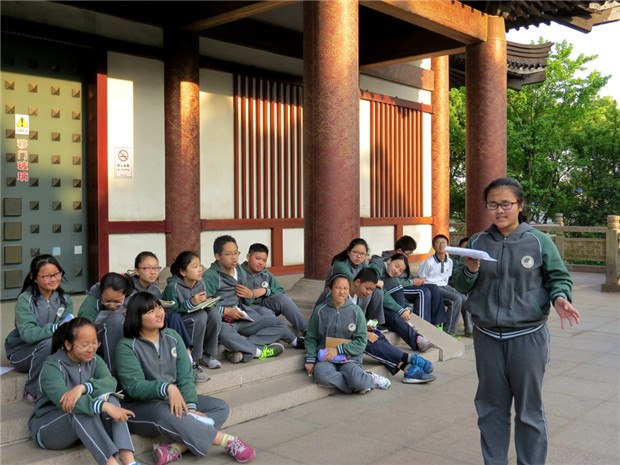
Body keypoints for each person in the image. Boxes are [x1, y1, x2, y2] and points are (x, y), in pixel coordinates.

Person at [452, 177, 580, 465]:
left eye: (506, 204)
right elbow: (460, 284)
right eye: (493, 204)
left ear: (519, 205)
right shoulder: (478, 242)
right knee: (490, 408)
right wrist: (470, 270)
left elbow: (558, 277)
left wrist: (560, 297)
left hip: (528, 337)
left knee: (529, 410)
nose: (499, 210)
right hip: (488, 337)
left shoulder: (538, 241)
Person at [115, 292, 255, 465]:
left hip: (173, 399)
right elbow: (134, 386)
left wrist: (190, 407)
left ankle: (175, 448)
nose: (159, 313)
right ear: (137, 317)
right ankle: (228, 441)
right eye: (151, 311)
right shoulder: (126, 346)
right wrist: (167, 388)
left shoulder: (173, 336)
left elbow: (185, 376)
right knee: (166, 413)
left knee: (220, 407)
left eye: (159, 308)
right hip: (140, 408)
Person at [29, 317, 139, 465]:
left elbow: (110, 383)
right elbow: (67, 403)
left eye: (94, 342)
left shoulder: (94, 360)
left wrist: (84, 387)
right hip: (49, 428)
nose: (91, 349)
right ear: (68, 345)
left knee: (111, 398)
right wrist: (104, 406)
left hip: (83, 428)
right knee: (80, 409)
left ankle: (129, 461)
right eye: (84, 345)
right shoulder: (52, 367)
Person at [317, 269, 436, 384]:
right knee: (366, 341)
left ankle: (407, 368)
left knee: (377, 335)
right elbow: (336, 322)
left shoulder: (358, 296)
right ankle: (409, 359)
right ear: (357, 282)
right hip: (332, 337)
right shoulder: (339, 295)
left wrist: (367, 326)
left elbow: (355, 319)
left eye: (372, 290)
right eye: (367, 288)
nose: (369, 293)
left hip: (349, 332)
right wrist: (363, 333)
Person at [203, 235, 301, 364]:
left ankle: (240, 349)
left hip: (242, 315)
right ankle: (259, 352)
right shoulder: (211, 276)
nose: (234, 257)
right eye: (228, 254)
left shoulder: (239, 270)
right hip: (224, 321)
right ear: (217, 256)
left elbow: (246, 301)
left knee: (279, 325)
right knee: (224, 334)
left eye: (236, 253)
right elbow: (204, 304)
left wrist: (250, 296)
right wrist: (225, 311)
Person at [304, 274, 391, 394]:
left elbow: (361, 341)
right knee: (321, 376)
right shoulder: (320, 310)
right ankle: (359, 383)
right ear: (331, 289)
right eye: (338, 288)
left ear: (349, 290)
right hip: (326, 357)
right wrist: (310, 358)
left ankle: (367, 378)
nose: (342, 292)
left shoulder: (356, 311)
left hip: (349, 358)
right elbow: (311, 337)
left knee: (354, 376)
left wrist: (338, 350)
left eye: (345, 288)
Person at [5, 254, 74, 403]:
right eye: (47, 276)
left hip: (51, 348)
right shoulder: (25, 299)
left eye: (56, 274)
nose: (53, 279)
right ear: (34, 278)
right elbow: (28, 334)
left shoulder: (65, 299)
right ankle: (31, 390)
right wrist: (55, 328)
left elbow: (66, 328)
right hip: (22, 352)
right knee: (49, 344)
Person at [162, 251, 217, 382]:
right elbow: (170, 313)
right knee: (200, 316)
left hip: (195, 316)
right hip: (180, 323)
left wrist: (207, 302)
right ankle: (193, 361)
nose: (200, 269)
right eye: (194, 266)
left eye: (200, 265)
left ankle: (208, 354)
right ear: (183, 272)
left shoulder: (201, 283)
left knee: (214, 314)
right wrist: (190, 303)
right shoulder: (172, 287)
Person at [129, 251, 194, 354]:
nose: (153, 272)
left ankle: (186, 352)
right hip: (137, 321)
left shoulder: (155, 289)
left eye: (156, 268)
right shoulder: (129, 288)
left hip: (154, 319)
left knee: (173, 316)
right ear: (136, 270)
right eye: (148, 268)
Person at [241, 243, 308, 338]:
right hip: (248, 309)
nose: (261, 263)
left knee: (283, 299)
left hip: (264, 303)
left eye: (264, 260)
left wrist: (266, 291)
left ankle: (307, 330)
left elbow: (280, 290)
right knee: (267, 314)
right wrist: (250, 295)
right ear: (248, 257)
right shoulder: (238, 273)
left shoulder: (265, 273)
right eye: (257, 258)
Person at [381, 236, 447, 327]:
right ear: (399, 251)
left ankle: (437, 323)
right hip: (395, 288)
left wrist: (417, 279)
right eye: (408, 254)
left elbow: (406, 275)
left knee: (433, 287)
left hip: (405, 284)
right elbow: (393, 280)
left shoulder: (401, 260)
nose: (408, 257)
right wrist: (412, 282)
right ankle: (422, 326)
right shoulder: (388, 261)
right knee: (423, 292)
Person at [316, 238, 384, 326]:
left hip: (354, 292)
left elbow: (367, 282)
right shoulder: (340, 264)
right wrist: (376, 282)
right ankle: (361, 323)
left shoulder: (363, 264)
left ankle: (373, 324)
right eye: (356, 252)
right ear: (348, 252)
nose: (359, 256)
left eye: (362, 254)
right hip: (338, 295)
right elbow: (354, 280)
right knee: (365, 288)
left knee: (377, 291)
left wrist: (398, 309)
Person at [78, 272, 133, 376]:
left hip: (124, 338)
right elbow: (82, 329)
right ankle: (113, 373)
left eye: (117, 302)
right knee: (116, 320)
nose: (112, 305)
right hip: (96, 341)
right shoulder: (92, 302)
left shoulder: (131, 298)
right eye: (107, 301)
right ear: (101, 293)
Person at [419, 234, 472, 337]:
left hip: (445, 285)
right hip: (432, 287)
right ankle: (449, 331)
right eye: (438, 243)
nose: (441, 245)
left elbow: (446, 278)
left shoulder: (450, 261)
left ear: (447, 245)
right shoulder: (428, 262)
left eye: (443, 243)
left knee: (464, 298)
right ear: (433, 246)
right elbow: (421, 279)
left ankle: (469, 329)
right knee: (456, 299)